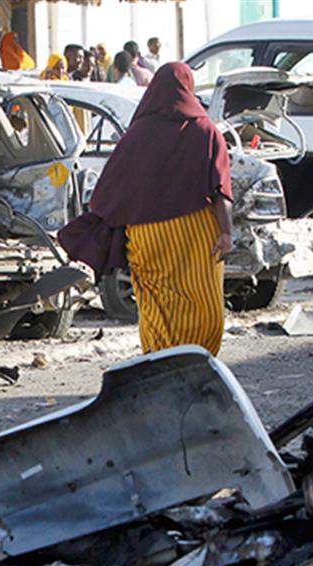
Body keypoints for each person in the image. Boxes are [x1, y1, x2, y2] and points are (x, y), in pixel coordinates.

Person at [57, 63, 233, 356]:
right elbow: (220, 190)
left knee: (157, 301)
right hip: (196, 234)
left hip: (148, 235)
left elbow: (107, 191)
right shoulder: (205, 131)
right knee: (202, 303)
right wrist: (226, 233)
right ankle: (198, 360)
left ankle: (158, 359)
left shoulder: (137, 135)